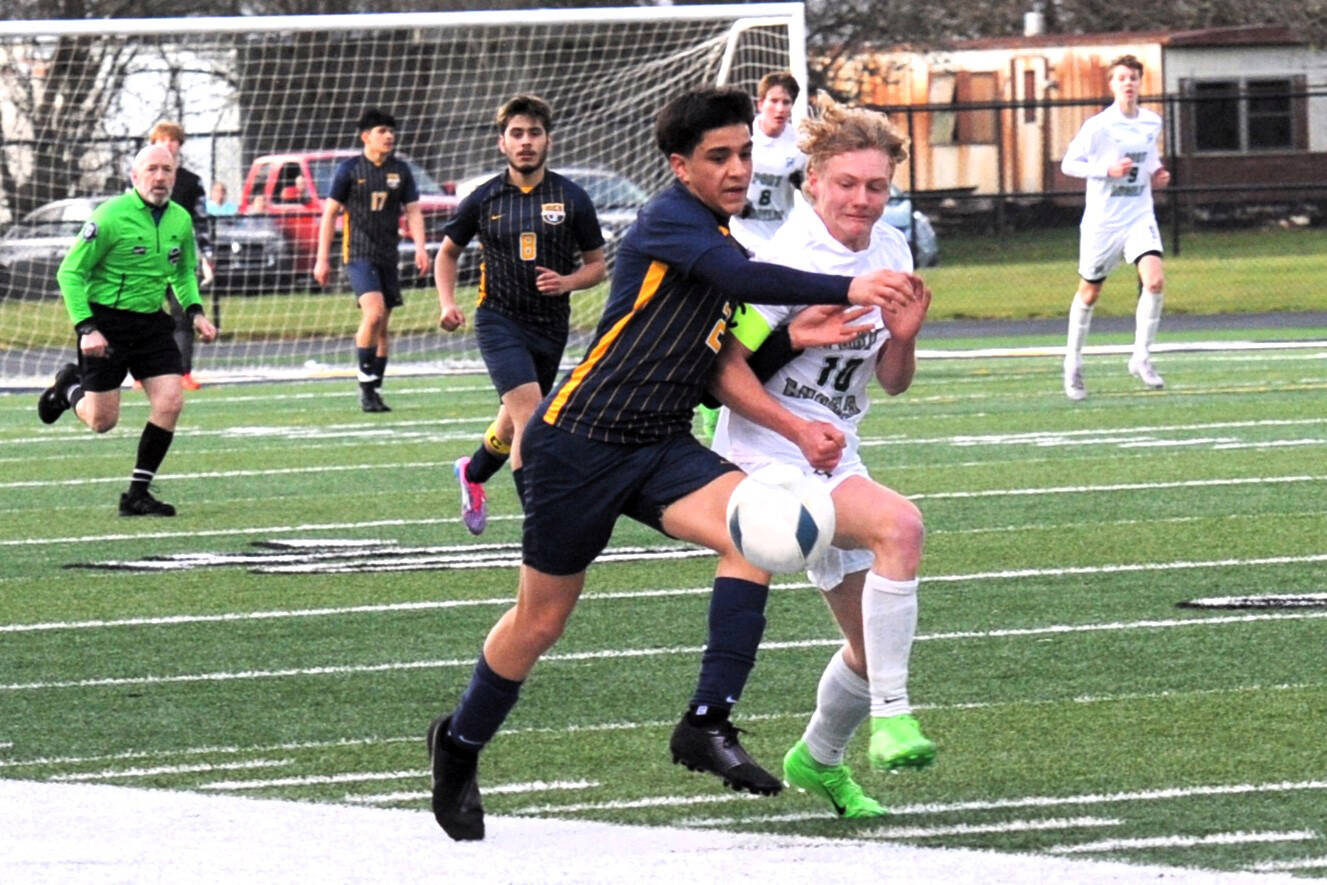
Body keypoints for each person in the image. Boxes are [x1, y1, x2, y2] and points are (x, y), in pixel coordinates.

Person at [424, 86, 924, 842]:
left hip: (660, 442)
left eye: (744, 153)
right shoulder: (671, 221)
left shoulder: (725, 231)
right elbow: (746, 283)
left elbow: (726, 349)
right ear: (679, 165)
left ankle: (706, 720)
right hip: (579, 444)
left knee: (755, 529)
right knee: (541, 620)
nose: (735, 168)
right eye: (717, 156)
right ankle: (458, 745)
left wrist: (799, 337)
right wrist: (848, 287)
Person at [710, 95, 934, 820]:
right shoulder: (776, 262)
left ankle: (819, 757)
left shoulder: (892, 253)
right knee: (900, 527)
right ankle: (896, 718)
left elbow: (892, 382)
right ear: (812, 180)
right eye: (846, 183)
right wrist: (796, 423)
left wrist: (902, 337)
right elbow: (720, 374)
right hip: (766, 461)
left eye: (875, 187)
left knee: (868, 650)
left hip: (835, 455)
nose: (861, 200)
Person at [435, 94, 606, 535]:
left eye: (534, 133)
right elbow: (447, 254)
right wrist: (447, 303)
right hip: (499, 320)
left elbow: (597, 266)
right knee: (531, 420)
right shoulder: (484, 197)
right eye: (517, 134)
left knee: (511, 426)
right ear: (502, 143)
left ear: (548, 140)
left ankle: (472, 474)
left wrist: (568, 282)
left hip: (550, 327)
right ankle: (542, 520)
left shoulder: (572, 198)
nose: (525, 142)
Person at [38, 144, 218, 516]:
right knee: (102, 421)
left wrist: (195, 311)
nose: (160, 177)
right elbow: (69, 273)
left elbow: (183, 270)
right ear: (134, 177)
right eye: (151, 169)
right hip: (107, 324)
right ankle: (66, 387)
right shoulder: (110, 217)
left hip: (152, 324)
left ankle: (137, 494)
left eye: (167, 170)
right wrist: (87, 328)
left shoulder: (180, 219)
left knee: (170, 402)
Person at [699, 71, 807, 441]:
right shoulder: (745, 142)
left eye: (786, 103)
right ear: (760, 103)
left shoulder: (798, 147)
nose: (780, 108)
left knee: (772, 337)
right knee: (731, 334)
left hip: (779, 250)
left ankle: (766, 406)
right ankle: (712, 413)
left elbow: (808, 189)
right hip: (740, 248)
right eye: (774, 101)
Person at [1060, 54, 1170, 401]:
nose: (1129, 83)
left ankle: (1141, 356)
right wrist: (1106, 170)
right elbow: (1069, 165)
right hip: (1104, 222)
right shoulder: (1099, 126)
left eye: (1134, 77)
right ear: (1112, 84)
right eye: (1122, 77)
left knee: (1154, 280)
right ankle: (1073, 363)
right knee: (1090, 293)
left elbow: (1148, 159)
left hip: (1139, 215)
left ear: (1140, 83)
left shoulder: (1152, 122)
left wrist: (1158, 173)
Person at [313, 108, 430, 413]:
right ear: (366, 136)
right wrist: (322, 259)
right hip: (358, 255)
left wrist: (421, 248)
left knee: (382, 325)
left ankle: (374, 389)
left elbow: (414, 210)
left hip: (388, 255)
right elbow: (329, 215)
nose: (389, 136)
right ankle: (365, 388)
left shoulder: (400, 171)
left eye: (391, 130)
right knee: (374, 313)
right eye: (382, 131)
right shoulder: (350, 170)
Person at [148, 121, 213, 392]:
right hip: (147, 259)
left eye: (173, 140)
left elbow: (201, 220)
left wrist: (207, 255)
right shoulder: (140, 180)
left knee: (184, 313)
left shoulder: (190, 181)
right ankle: (143, 373)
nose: (168, 144)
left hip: (179, 260)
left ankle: (183, 371)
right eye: (162, 140)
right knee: (143, 315)